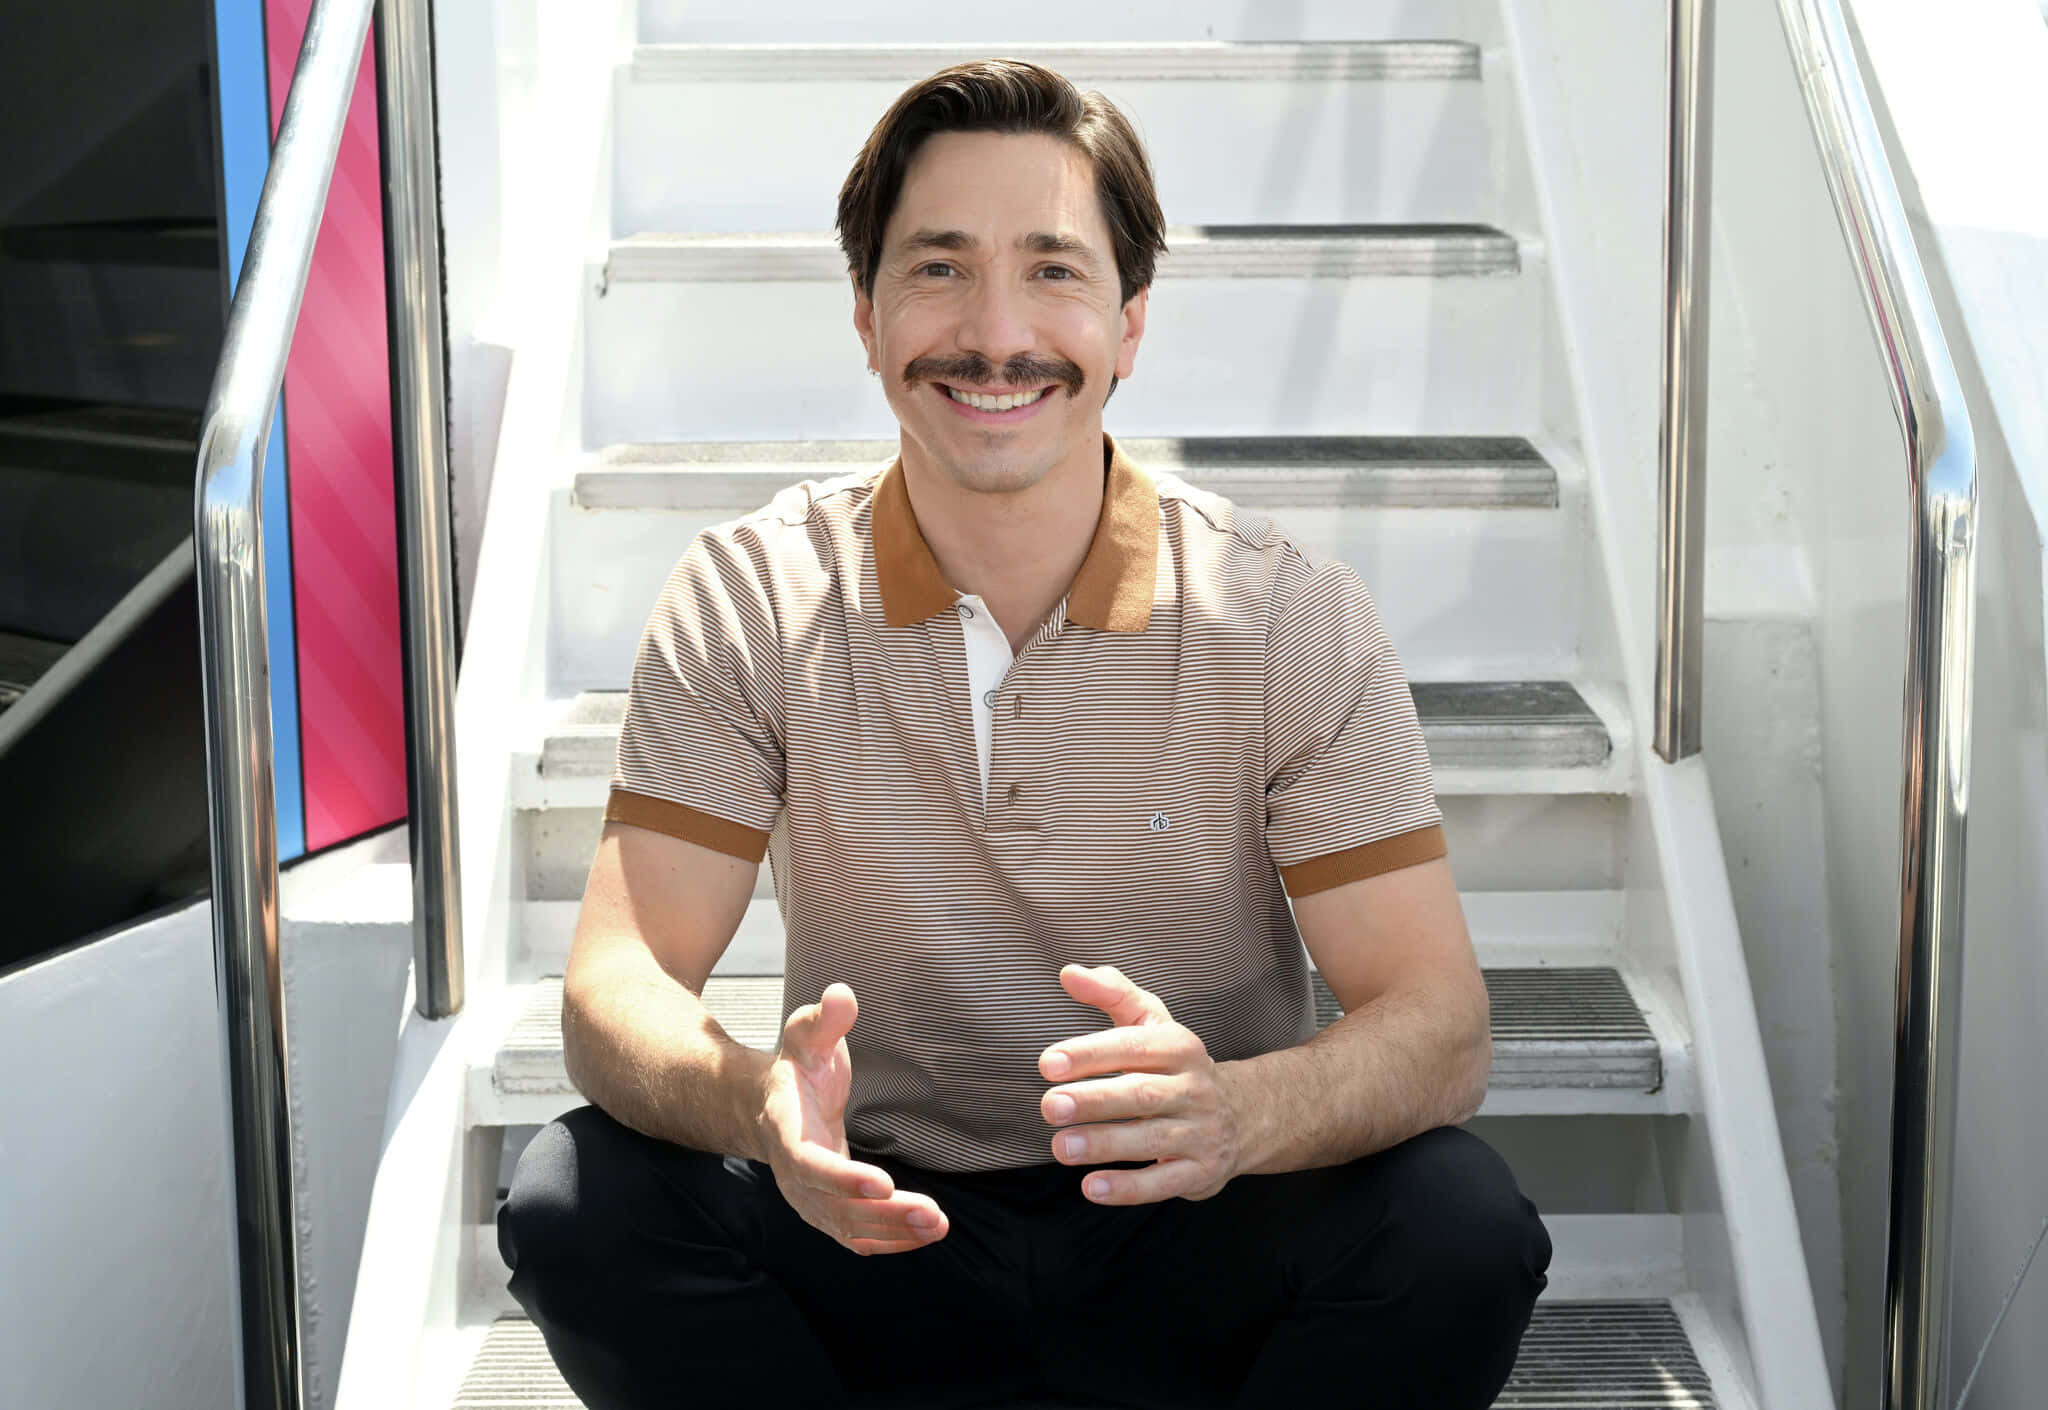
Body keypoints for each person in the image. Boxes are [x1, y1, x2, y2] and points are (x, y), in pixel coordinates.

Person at [498, 58, 1551, 1410]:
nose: (996, 334)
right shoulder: (752, 594)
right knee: (578, 1197)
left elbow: (1440, 1022)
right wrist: (759, 1101)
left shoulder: (1285, 612)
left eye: (1054, 270)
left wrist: (1239, 1115)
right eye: (939, 269)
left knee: (1459, 1224)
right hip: (874, 1224)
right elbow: (617, 981)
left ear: (1130, 321)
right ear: (867, 315)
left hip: (1193, 1218)